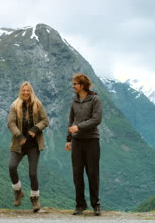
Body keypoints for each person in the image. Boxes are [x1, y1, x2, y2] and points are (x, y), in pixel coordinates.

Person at [7, 82, 49, 212]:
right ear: (21, 91)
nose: (26, 93)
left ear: (31, 91)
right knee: (12, 166)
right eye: (23, 90)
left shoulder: (38, 104)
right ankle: (18, 191)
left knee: (32, 173)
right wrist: (19, 136)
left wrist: (35, 128)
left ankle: (35, 199)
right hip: (19, 144)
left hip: (33, 145)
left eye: (28, 91)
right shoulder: (15, 105)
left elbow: (45, 121)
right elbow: (11, 123)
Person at [65, 73, 102, 216]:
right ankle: (80, 205)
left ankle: (96, 205)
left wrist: (79, 127)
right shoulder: (74, 101)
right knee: (77, 174)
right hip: (77, 141)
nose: (73, 86)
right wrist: (69, 139)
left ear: (82, 85)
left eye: (75, 84)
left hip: (92, 140)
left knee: (92, 173)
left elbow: (96, 119)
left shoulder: (95, 99)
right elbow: (71, 121)